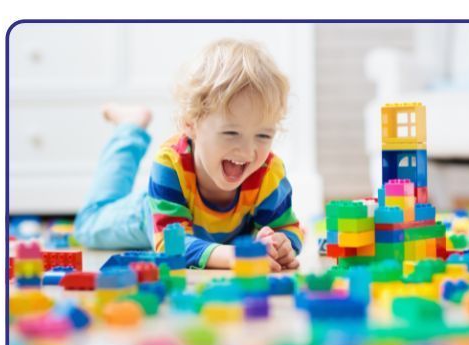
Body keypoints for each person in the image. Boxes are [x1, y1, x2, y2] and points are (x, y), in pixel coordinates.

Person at [74, 39, 302, 271]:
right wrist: (233, 256)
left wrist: (282, 244)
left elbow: (288, 229)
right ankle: (130, 129)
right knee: (88, 224)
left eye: (263, 135)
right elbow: (171, 245)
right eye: (231, 133)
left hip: (201, 233)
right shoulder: (170, 164)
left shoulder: (268, 172)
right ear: (190, 124)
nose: (247, 151)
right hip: (151, 212)